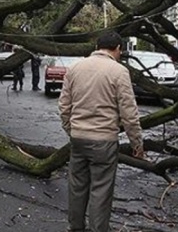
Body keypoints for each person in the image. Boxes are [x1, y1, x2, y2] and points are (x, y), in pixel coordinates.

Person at [59, 31, 145, 232]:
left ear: (97, 47)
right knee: (101, 191)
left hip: (79, 138)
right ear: (117, 49)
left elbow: (64, 105)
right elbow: (129, 113)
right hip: (104, 140)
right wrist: (137, 144)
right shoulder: (119, 71)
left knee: (77, 187)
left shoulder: (75, 68)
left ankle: (75, 228)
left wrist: (71, 129)